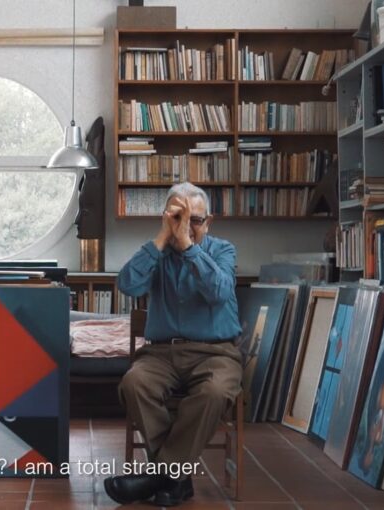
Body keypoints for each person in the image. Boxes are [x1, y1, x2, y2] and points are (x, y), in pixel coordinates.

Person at [104, 182, 243, 507]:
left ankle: (160, 477)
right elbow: (127, 285)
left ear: (209, 222)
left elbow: (220, 292)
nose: (187, 227)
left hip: (216, 353)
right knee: (134, 383)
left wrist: (189, 248)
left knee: (215, 392)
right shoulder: (157, 253)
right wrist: (162, 239)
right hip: (160, 354)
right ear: (166, 217)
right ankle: (176, 477)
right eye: (179, 218)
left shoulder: (223, 250)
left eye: (196, 220)